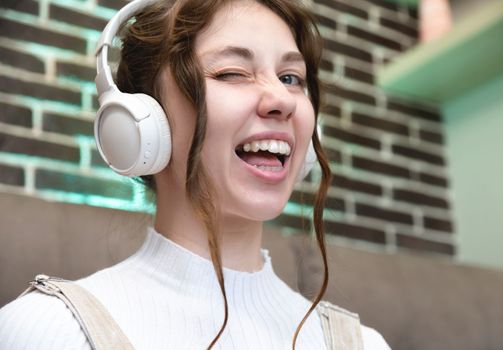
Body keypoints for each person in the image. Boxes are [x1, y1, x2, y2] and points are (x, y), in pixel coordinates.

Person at [0, 0, 391, 349]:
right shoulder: (49, 329)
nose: (282, 101)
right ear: (143, 125)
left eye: (291, 78)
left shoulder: (362, 343)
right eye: (233, 73)